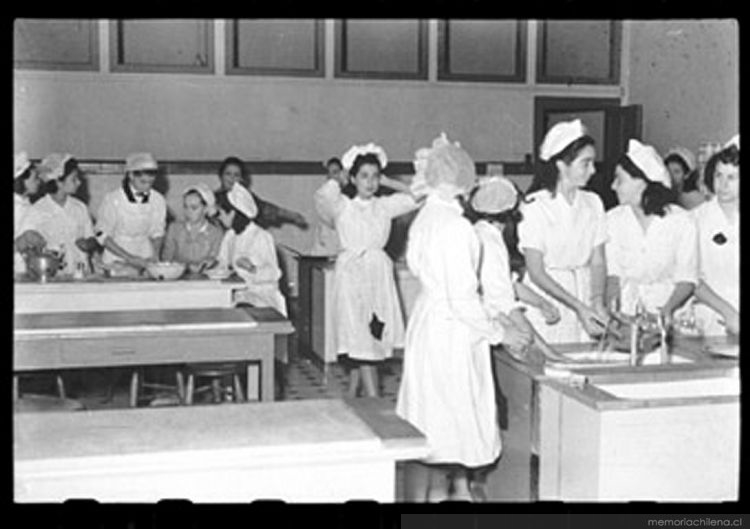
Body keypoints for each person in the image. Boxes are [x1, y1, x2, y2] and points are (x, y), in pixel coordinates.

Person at [396, 133, 532, 502]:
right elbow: (462, 299)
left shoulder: (427, 215)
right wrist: (499, 332)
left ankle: (436, 497)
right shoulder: (455, 227)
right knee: (450, 425)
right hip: (451, 332)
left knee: (432, 427)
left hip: (429, 323)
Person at [314, 143, 419, 399]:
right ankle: (373, 400)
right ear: (352, 178)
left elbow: (420, 196)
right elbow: (324, 196)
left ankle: (352, 395)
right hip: (351, 277)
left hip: (377, 276)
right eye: (364, 176)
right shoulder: (343, 206)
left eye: (375, 176)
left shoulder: (384, 206)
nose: (370, 183)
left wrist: (389, 182)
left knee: (372, 336)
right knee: (359, 338)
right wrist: (337, 178)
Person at [518, 119, 608, 343]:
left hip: (584, 294)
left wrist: (596, 301)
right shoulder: (535, 206)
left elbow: (598, 260)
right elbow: (536, 271)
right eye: (585, 163)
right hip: (549, 299)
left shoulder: (593, 202)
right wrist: (578, 307)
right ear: (561, 165)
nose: (593, 170)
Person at [605, 139, 698, 326]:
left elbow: (687, 279)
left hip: (671, 315)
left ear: (642, 183)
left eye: (620, 180)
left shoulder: (681, 221)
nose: (613, 186)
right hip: (627, 314)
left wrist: (666, 311)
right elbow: (613, 276)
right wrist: (614, 313)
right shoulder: (612, 220)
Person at [465, 176, 561, 354]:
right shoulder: (489, 243)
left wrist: (541, 303)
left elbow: (510, 284)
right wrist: (547, 350)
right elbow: (504, 302)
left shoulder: (484, 232)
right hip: (478, 332)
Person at [691, 135, 740, 336]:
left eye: (731, 177)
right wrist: (729, 314)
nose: (723, 184)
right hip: (713, 317)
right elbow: (691, 277)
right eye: (718, 175)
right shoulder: (696, 219)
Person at [18, 153, 96, 275]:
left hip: (81, 273)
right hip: (53, 276)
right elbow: (25, 246)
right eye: (74, 179)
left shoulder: (80, 208)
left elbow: (92, 237)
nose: (79, 183)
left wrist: (88, 243)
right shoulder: (37, 210)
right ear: (59, 182)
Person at [217, 182, 287, 316]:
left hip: (261, 296)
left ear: (233, 213)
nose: (219, 217)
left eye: (221, 213)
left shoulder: (261, 236)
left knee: (240, 312)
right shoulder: (230, 236)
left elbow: (274, 273)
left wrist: (252, 268)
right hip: (239, 295)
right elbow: (222, 263)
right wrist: (213, 264)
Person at [95, 153, 167, 273]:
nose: (147, 187)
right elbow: (102, 235)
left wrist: (155, 255)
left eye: (150, 183)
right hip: (116, 257)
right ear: (131, 175)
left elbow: (157, 231)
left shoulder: (158, 199)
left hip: (145, 255)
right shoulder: (113, 199)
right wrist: (129, 258)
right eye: (143, 182)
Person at [214, 156, 308, 231]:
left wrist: (293, 216)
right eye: (228, 174)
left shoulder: (247, 199)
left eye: (236, 175)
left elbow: (266, 208)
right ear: (221, 176)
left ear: (241, 178)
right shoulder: (213, 198)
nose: (232, 178)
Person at [161, 183, 224, 274]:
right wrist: (185, 268)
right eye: (186, 207)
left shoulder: (216, 233)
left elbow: (216, 260)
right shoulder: (174, 229)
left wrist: (209, 264)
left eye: (194, 208)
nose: (188, 212)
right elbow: (166, 260)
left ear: (206, 209)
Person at [309, 157, 355, 256]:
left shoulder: (353, 195)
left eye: (336, 172)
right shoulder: (324, 195)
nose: (334, 177)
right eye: (331, 174)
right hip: (328, 249)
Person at [14, 152, 42, 275]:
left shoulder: (29, 206)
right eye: (35, 178)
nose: (39, 182)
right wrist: (22, 242)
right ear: (22, 180)